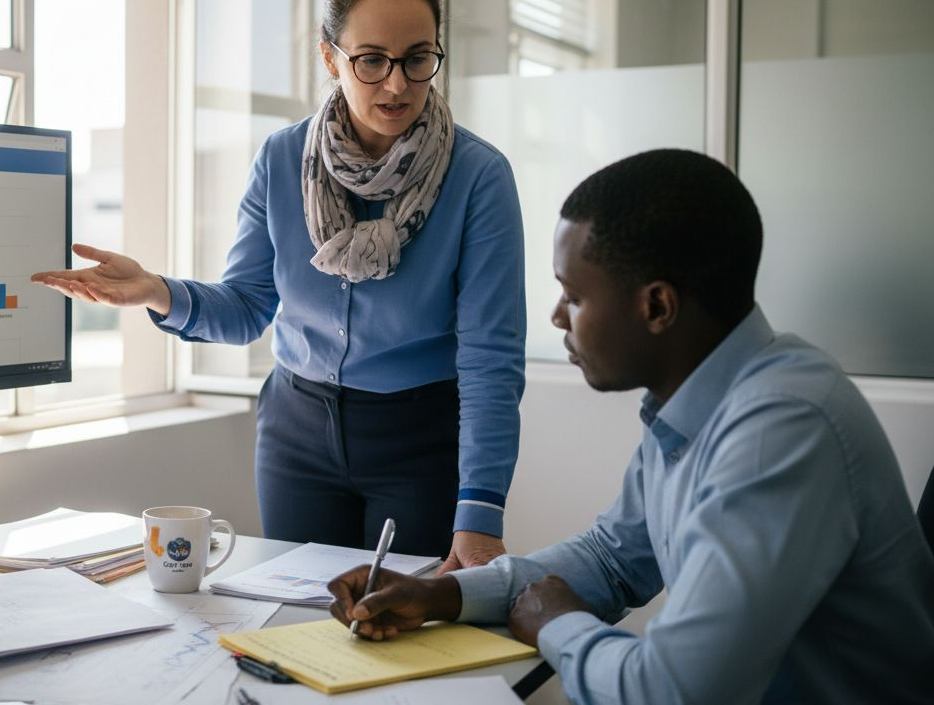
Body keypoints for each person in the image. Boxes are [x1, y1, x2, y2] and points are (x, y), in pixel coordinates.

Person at [328, 149, 934, 703]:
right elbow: (614, 559)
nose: (557, 315)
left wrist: (557, 625)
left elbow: (676, 692)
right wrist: (443, 594)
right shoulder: (696, 399)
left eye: (574, 296)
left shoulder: (781, 432)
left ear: (657, 307)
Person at [31, 0, 525, 568]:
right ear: (330, 58)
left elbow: (490, 361)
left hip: (420, 442)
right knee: (295, 621)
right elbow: (246, 309)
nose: (397, 84)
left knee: (406, 635)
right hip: (297, 438)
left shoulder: (479, 176)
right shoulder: (281, 158)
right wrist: (155, 290)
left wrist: (480, 514)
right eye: (371, 60)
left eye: (418, 58)